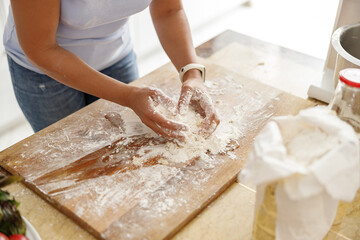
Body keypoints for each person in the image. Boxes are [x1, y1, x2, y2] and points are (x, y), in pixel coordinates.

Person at [3, 0, 219, 141]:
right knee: (72, 156)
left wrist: (192, 73)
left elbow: (169, 11)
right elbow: (41, 48)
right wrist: (127, 95)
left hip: (115, 54)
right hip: (44, 73)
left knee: (130, 146)